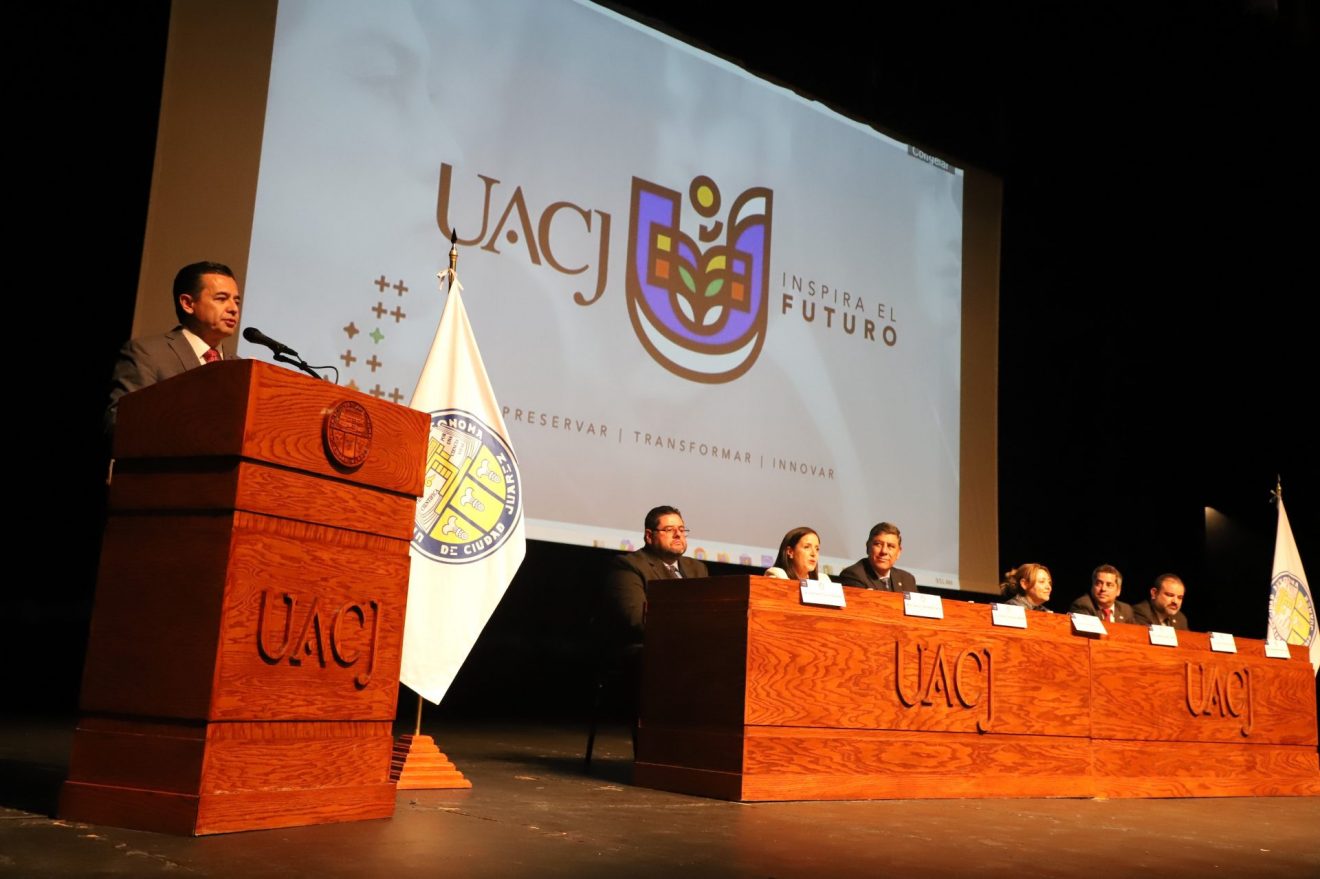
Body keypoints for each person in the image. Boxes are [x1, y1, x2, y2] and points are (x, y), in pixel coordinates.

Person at [105, 261, 242, 433]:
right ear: (187, 303)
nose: (233, 309)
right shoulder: (148, 354)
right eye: (221, 299)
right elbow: (119, 423)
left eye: (236, 301)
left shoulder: (239, 367)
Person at [602, 505, 708, 644]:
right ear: (649, 536)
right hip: (650, 648)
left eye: (682, 530)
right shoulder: (629, 566)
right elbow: (638, 620)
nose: (678, 534)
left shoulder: (697, 568)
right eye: (669, 529)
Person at [838, 522, 917, 592]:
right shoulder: (853, 575)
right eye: (878, 544)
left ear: (898, 552)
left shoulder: (907, 580)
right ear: (868, 547)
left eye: (890, 546)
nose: (884, 551)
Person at [1069, 564, 1135, 623]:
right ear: (1092, 586)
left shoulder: (1126, 610)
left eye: (1109, 585)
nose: (1103, 589)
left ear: (1118, 591)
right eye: (1098, 584)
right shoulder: (1083, 605)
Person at [765, 526, 831, 581]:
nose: (814, 554)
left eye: (817, 549)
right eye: (806, 547)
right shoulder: (777, 575)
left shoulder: (823, 581)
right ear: (790, 552)